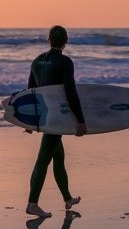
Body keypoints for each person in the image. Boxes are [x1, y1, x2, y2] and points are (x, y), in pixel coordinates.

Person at [25, 25, 87, 218]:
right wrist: (80, 120)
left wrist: (30, 121)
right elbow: (70, 92)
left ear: (49, 39)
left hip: (44, 116)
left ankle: (67, 199)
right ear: (65, 41)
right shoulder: (64, 62)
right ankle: (32, 203)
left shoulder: (36, 62)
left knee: (58, 156)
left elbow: (30, 92)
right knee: (43, 160)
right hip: (57, 117)